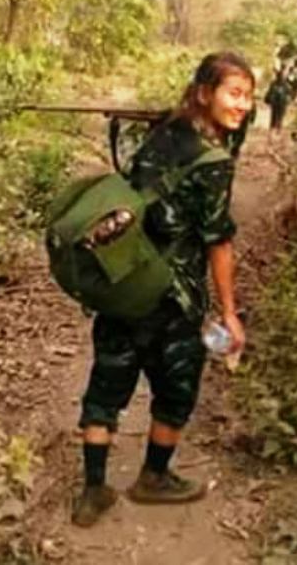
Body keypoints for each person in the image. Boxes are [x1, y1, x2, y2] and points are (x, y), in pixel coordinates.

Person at [71, 51, 253, 527]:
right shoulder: (214, 162)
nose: (243, 105)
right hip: (174, 297)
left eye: (248, 97)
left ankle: (93, 491)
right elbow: (218, 240)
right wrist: (229, 312)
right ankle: (153, 477)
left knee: (107, 386)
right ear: (205, 93)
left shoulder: (162, 131)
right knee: (176, 389)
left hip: (124, 279)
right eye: (234, 94)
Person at [264, 68, 291, 137]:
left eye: (282, 76)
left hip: (282, 103)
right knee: (275, 116)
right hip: (275, 103)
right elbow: (270, 92)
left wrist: (287, 100)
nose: (281, 77)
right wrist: (268, 99)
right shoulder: (274, 84)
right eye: (281, 75)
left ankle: (278, 130)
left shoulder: (286, 85)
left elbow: (289, 95)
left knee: (279, 117)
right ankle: (273, 131)